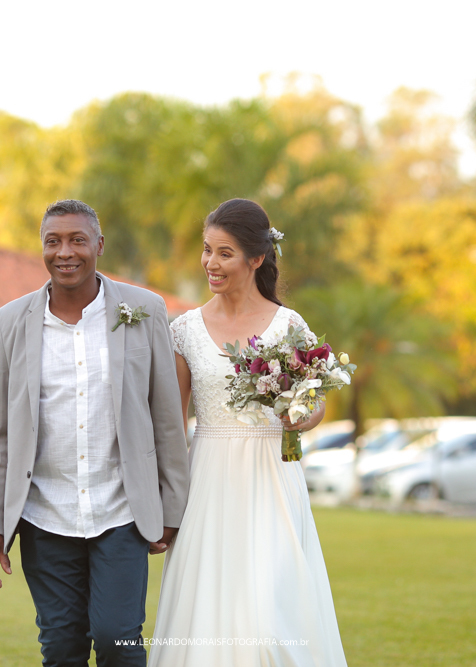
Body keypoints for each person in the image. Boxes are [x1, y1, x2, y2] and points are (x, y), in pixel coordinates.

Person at [0, 199, 190, 667]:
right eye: (53, 241)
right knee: (62, 646)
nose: (64, 252)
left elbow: (167, 418)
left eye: (77, 240)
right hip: (44, 515)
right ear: (42, 248)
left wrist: (171, 506)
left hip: (122, 511)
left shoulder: (145, 310)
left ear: (99, 246)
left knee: (118, 640)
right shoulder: (8, 323)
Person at [149, 199, 348, 666]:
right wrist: (167, 501)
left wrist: (303, 415)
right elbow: (172, 426)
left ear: (256, 258)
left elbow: (315, 400)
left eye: (224, 253)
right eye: (206, 250)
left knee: (268, 622)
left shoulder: (289, 325)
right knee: (207, 615)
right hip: (208, 483)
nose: (209, 264)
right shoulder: (184, 330)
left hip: (272, 480)